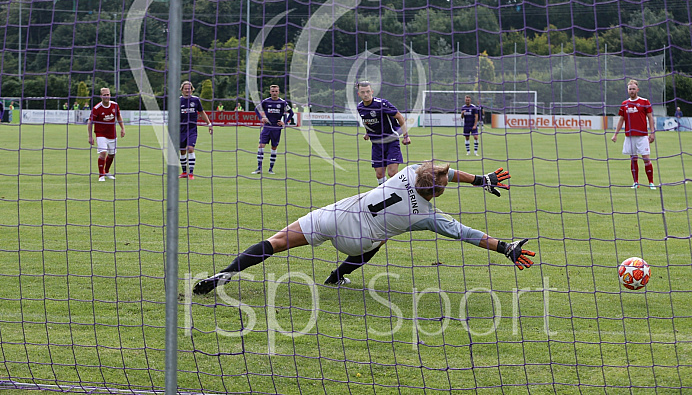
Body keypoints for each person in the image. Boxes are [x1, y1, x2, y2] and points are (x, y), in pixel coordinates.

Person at [193, 161, 535, 295]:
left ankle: (222, 275)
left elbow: (440, 168)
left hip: (334, 216)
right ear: (437, 192)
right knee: (382, 236)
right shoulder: (428, 216)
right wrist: (506, 246)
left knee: (276, 241)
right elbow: (468, 234)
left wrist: (477, 179)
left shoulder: (407, 172)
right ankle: (337, 275)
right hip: (355, 244)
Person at [356, 80, 411, 185]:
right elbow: (366, 121)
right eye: (363, 92)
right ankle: (385, 196)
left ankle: (405, 189)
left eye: (368, 91)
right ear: (359, 94)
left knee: (392, 173)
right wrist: (367, 132)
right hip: (376, 144)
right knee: (379, 175)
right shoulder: (360, 107)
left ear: (372, 91)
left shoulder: (382, 104)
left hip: (391, 141)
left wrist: (406, 136)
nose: (365, 94)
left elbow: (399, 116)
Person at [611, 79, 656, 189]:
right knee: (633, 159)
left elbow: (650, 118)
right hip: (630, 136)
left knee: (646, 158)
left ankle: (651, 182)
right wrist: (615, 134)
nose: (632, 91)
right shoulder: (624, 104)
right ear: (628, 90)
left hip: (642, 136)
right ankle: (636, 182)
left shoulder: (645, 102)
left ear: (637, 89)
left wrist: (652, 133)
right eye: (630, 89)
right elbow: (621, 120)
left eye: (633, 89)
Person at [252, 85, 294, 175]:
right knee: (261, 146)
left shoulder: (283, 103)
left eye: (276, 91)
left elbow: (291, 113)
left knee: (273, 147)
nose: (274, 93)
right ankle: (259, 168)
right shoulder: (266, 101)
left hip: (276, 128)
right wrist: (261, 118)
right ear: (270, 92)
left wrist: (285, 122)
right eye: (273, 91)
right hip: (267, 127)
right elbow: (256, 109)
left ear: (278, 92)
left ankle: (271, 169)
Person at [88, 87, 125, 182]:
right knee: (103, 152)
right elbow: (90, 122)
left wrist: (122, 128)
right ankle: (101, 175)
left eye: (108, 94)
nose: (106, 96)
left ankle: (107, 171)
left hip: (112, 134)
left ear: (110, 95)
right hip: (100, 134)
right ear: (101, 96)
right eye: (104, 95)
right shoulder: (97, 108)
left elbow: (119, 116)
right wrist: (90, 136)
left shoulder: (115, 105)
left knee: (112, 154)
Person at [179, 81, 213, 180]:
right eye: (185, 89)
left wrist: (209, 124)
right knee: (182, 151)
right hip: (181, 129)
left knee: (190, 148)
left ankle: (191, 173)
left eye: (189, 88)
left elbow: (202, 113)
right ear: (182, 90)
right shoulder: (178, 101)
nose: (187, 90)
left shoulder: (196, 100)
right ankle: (184, 172)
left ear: (192, 89)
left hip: (192, 129)